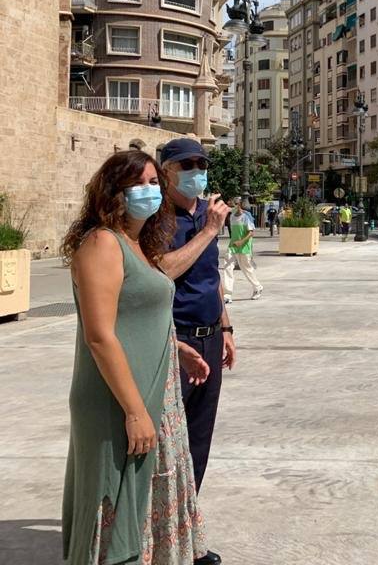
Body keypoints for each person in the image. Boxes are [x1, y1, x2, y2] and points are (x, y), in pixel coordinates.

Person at [60, 150, 211, 565]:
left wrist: (175, 348)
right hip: (119, 398)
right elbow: (100, 335)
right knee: (115, 501)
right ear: (114, 192)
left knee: (146, 499)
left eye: (153, 183)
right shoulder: (102, 243)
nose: (150, 191)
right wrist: (133, 412)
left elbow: (136, 313)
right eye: (138, 184)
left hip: (155, 390)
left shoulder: (138, 244)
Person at [158, 138, 232, 565]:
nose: (197, 170)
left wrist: (227, 327)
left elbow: (212, 275)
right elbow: (164, 271)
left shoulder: (207, 212)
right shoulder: (156, 218)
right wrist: (207, 232)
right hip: (174, 338)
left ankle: (186, 533)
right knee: (168, 442)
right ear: (167, 170)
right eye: (187, 164)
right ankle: (158, 534)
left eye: (201, 163)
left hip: (209, 336)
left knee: (198, 441)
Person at [222, 198, 263, 304]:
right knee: (227, 267)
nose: (231, 208)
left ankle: (257, 287)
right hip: (233, 246)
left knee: (246, 269)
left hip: (244, 247)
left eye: (233, 205)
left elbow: (251, 233)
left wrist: (241, 242)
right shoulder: (231, 217)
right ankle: (227, 294)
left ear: (238, 205)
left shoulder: (246, 217)